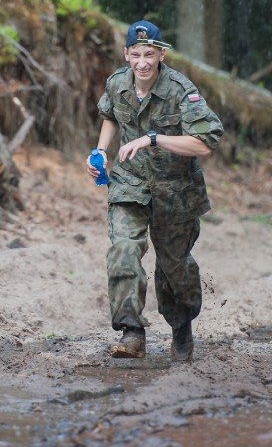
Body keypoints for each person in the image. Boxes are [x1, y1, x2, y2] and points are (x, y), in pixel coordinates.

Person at [87, 20, 223, 361]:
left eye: (150, 54)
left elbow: (204, 144)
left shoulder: (181, 90)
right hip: (129, 183)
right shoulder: (118, 82)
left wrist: (154, 138)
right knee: (123, 249)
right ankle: (132, 331)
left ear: (161, 54)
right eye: (136, 54)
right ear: (126, 54)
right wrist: (101, 151)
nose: (143, 62)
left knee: (173, 267)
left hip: (174, 192)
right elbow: (110, 116)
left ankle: (181, 327)